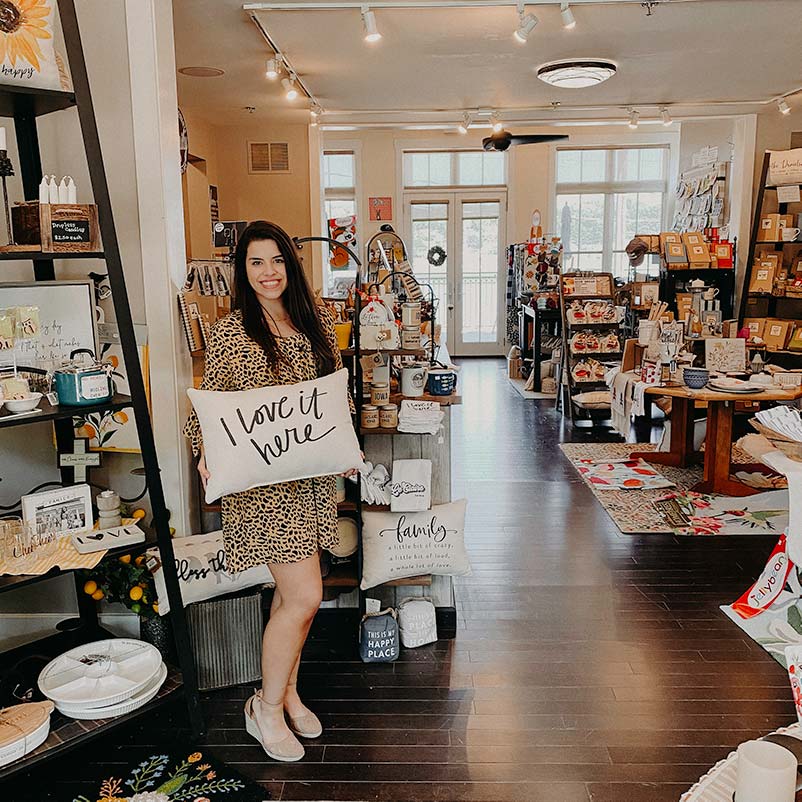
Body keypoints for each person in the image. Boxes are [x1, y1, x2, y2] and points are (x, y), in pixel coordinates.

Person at [183, 220, 356, 763]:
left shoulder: (316, 322)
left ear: (291, 264)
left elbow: (331, 400)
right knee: (305, 596)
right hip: (262, 488)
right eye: (256, 262)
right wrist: (202, 449)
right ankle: (266, 708)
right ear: (243, 270)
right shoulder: (233, 331)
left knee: (291, 599)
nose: (268, 272)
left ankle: (287, 692)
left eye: (276, 260)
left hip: (308, 482)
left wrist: (343, 441)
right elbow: (209, 407)